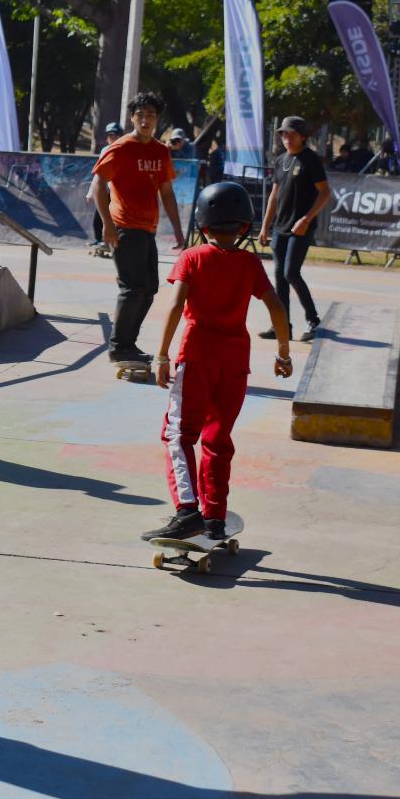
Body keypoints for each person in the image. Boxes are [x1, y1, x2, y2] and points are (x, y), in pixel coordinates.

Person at [142, 181, 293, 542]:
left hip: (196, 358)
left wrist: (161, 354)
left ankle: (187, 510)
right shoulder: (250, 263)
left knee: (178, 435)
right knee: (217, 438)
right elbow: (276, 306)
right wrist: (283, 352)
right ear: (244, 227)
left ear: (203, 223)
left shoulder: (192, 257)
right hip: (235, 363)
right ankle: (215, 517)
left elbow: (177, 305)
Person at [90, 92, 186, 366]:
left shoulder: (160, 151)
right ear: (132, 118)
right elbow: (98, 185)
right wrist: (107, 225)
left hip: (147, 228)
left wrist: (178, 231)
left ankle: (128, 344)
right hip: (124, 227)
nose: (145, 120)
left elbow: (166, 193)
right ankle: (119, 347)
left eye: (151, 115)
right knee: (132, 288)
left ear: (158, 120)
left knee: (149, 288)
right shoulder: (119, 148)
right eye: (140, 115)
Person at [256, 116, 329, 342]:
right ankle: (281, 325)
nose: (286, 137)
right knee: (279, 277)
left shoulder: (311, 160)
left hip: (301, 227)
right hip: (281, 227)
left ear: (303, 136)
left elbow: (325, 193)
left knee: (291, 273)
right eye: (283, 134)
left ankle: (313, 320)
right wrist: (265, 227)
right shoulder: (281, 160)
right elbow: (274, 196)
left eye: (291, 133)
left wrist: (306, 219)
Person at [86, 121, 123, 250]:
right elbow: (98, 175)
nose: (112, 138)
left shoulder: (124, 150)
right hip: (103, 190)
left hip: (116, 192)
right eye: (109, 136)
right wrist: (91, 193)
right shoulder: (104, 151)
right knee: (99, 216)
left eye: (115, 135)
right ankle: (98, 239)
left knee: (113, 217)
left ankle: (109, 241)